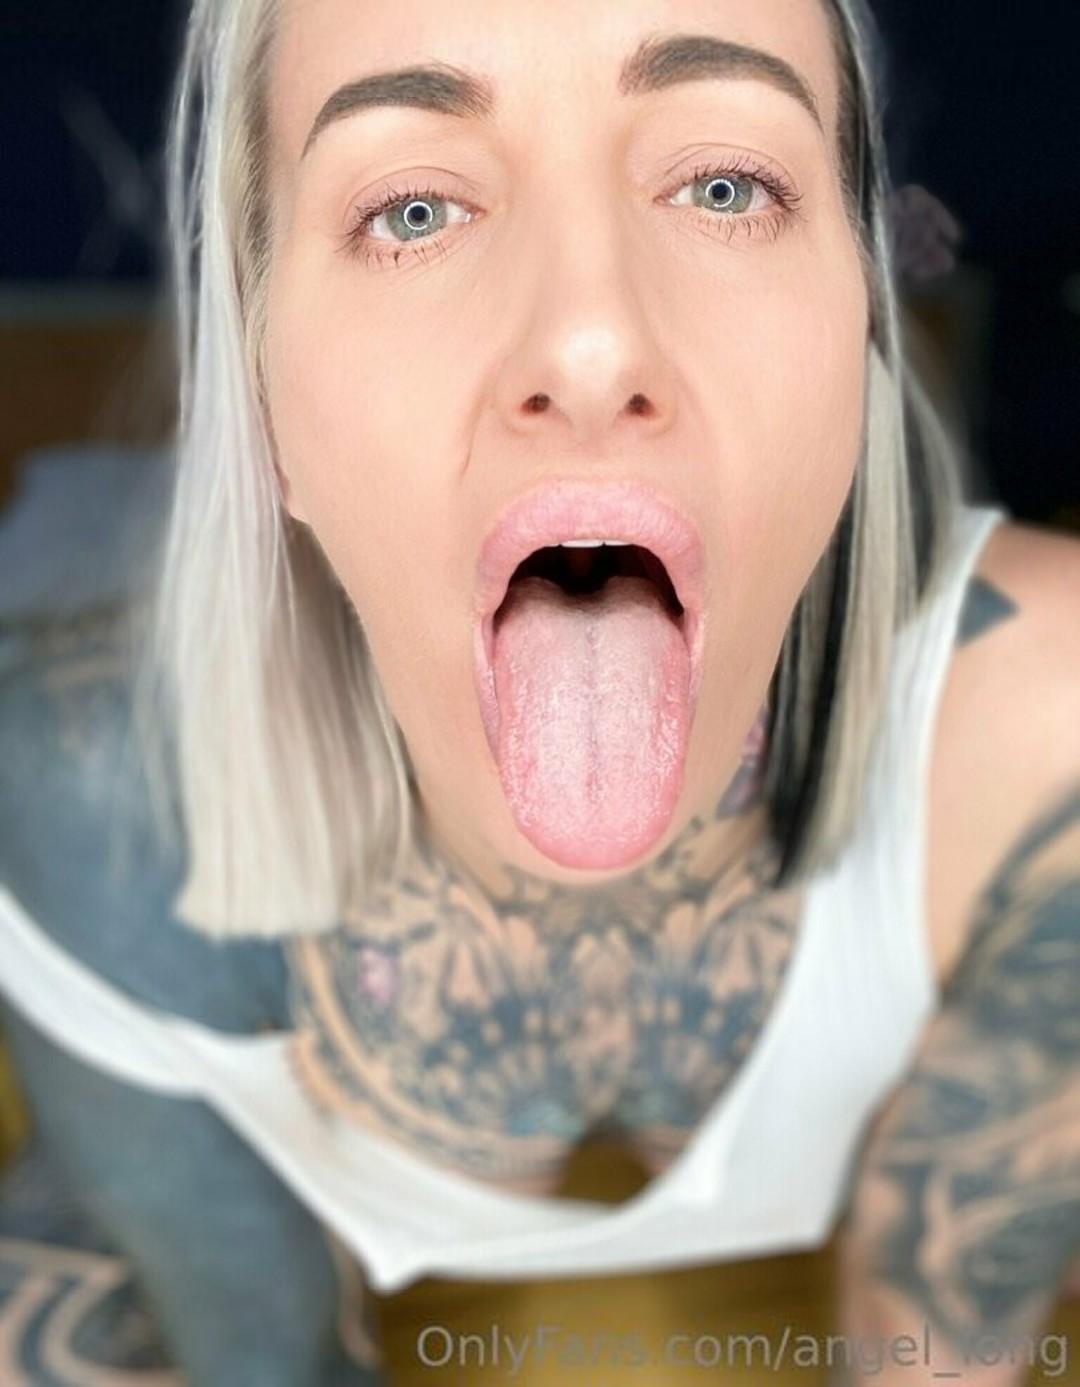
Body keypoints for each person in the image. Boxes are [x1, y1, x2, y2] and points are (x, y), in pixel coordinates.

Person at [1, 0, 1078, 1382]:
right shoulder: (86, 799)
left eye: (725, 186)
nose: (590, 349)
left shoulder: (1046, 738)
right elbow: (262, 1360)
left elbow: (937, 1340)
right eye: (413, 211)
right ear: (262, 402)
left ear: (858, 342)